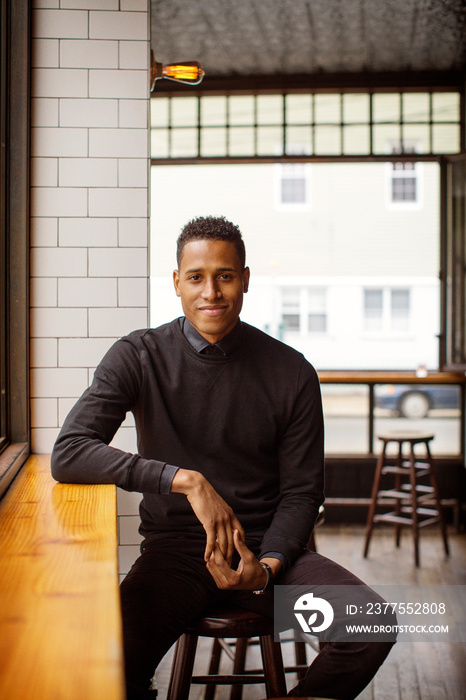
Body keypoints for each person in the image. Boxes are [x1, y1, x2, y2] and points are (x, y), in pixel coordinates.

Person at [52, 215, 395, 700]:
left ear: (245, 280)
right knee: (105, 662)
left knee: (370, 624)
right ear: (176, 282)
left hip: (268, 557)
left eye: (225, 276)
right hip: (176, 555)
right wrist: (184, 480)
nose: (211, 291)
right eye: (196, 277)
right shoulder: (139, 355)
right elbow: (69, 453)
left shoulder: (291, 371)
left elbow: (302, 492)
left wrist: (270, 565)